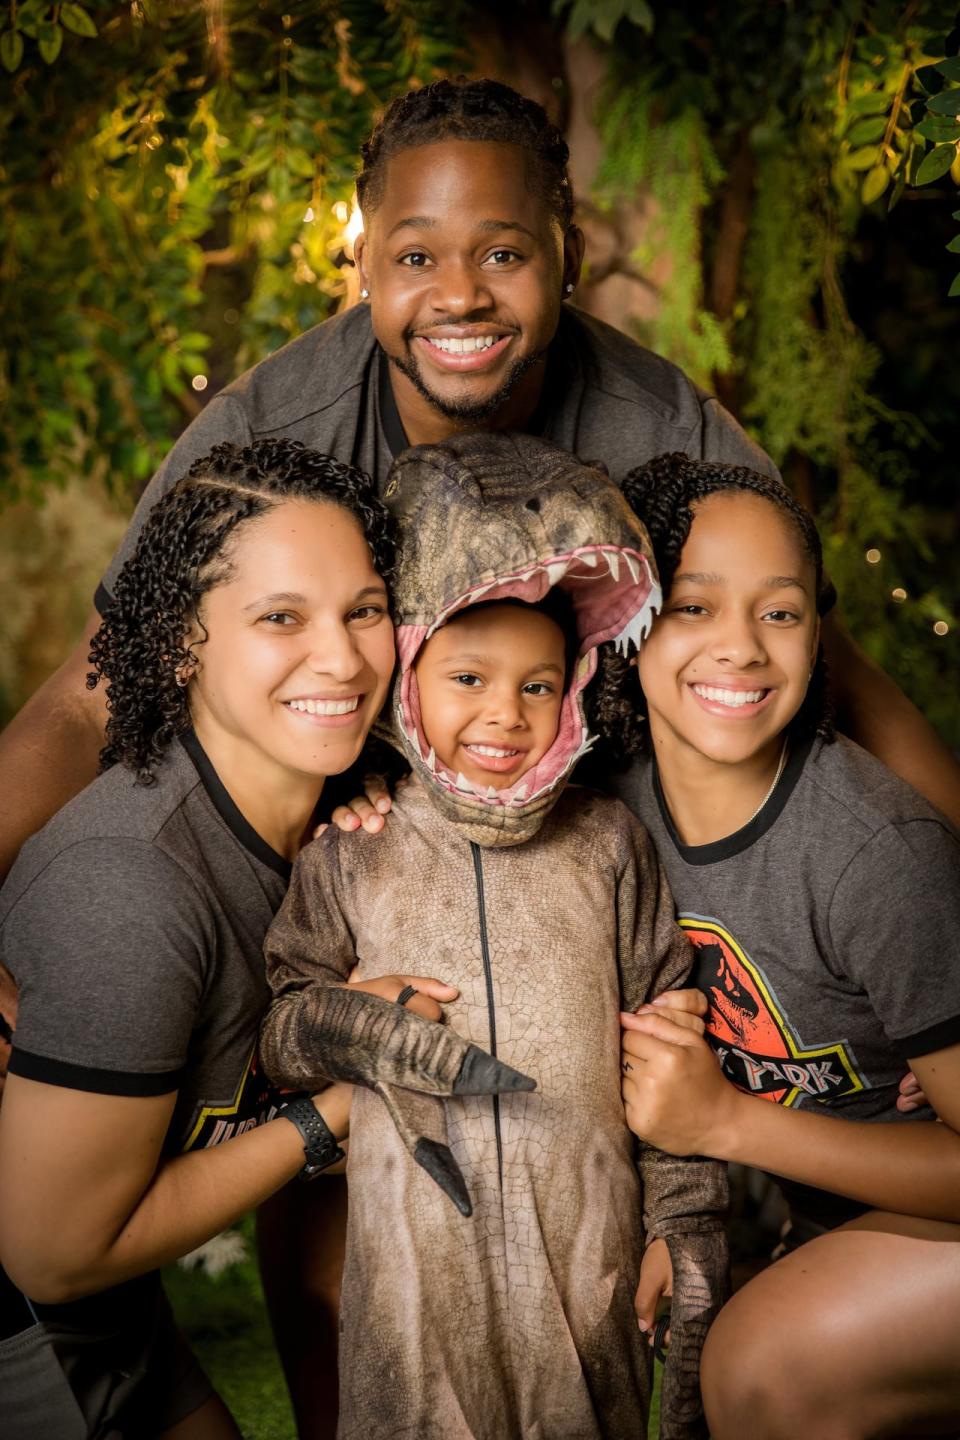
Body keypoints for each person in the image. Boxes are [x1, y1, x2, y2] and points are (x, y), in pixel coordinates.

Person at [1, 78, 957, 897]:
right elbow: (93, 695)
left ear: (567, 259)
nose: (459, 295)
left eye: (504, 253)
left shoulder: (660, 425)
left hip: (600, 859)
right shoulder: (272, 431)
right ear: (365, 266)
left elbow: (835, 673)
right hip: (350, 853)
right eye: (415, 258)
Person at [257, 431, 730, 1440]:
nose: (505, 715)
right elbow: (282, 1024)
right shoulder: (355, 844)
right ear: (412, 679)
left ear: (573, 690)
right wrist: (352, 1025)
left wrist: (680, 1222)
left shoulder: (609, 840)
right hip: (411, 1273)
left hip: (586, 1251)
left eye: (537, 685)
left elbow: (668, 1035)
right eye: (468, 679)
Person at [0, 438, 445, 1438]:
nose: (340, 657)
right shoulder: (133, 885)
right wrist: (340, 1107)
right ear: (180, 643)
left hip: (108, 1307)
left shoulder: (324, 825)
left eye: (364, 610)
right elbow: (54, 1252)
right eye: (280, 617)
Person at [608, 453, 960, 1440]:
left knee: (764, 1364)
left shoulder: (876, 858)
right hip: (835, 1202)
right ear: (626, 622)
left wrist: (725, 1125)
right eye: (694, 608)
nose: (743, 648)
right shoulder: (609, 808)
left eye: (781, 611)